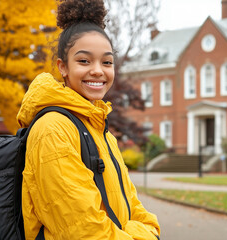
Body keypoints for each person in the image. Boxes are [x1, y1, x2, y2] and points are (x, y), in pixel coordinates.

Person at [16, 0, 160, 239]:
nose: (98, 70)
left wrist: (147, 231)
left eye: (107, 62)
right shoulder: (52, 129)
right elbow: (84, 231)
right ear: (63, 67)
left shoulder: (102, 133)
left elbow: (135, 207)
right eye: (84, 61)